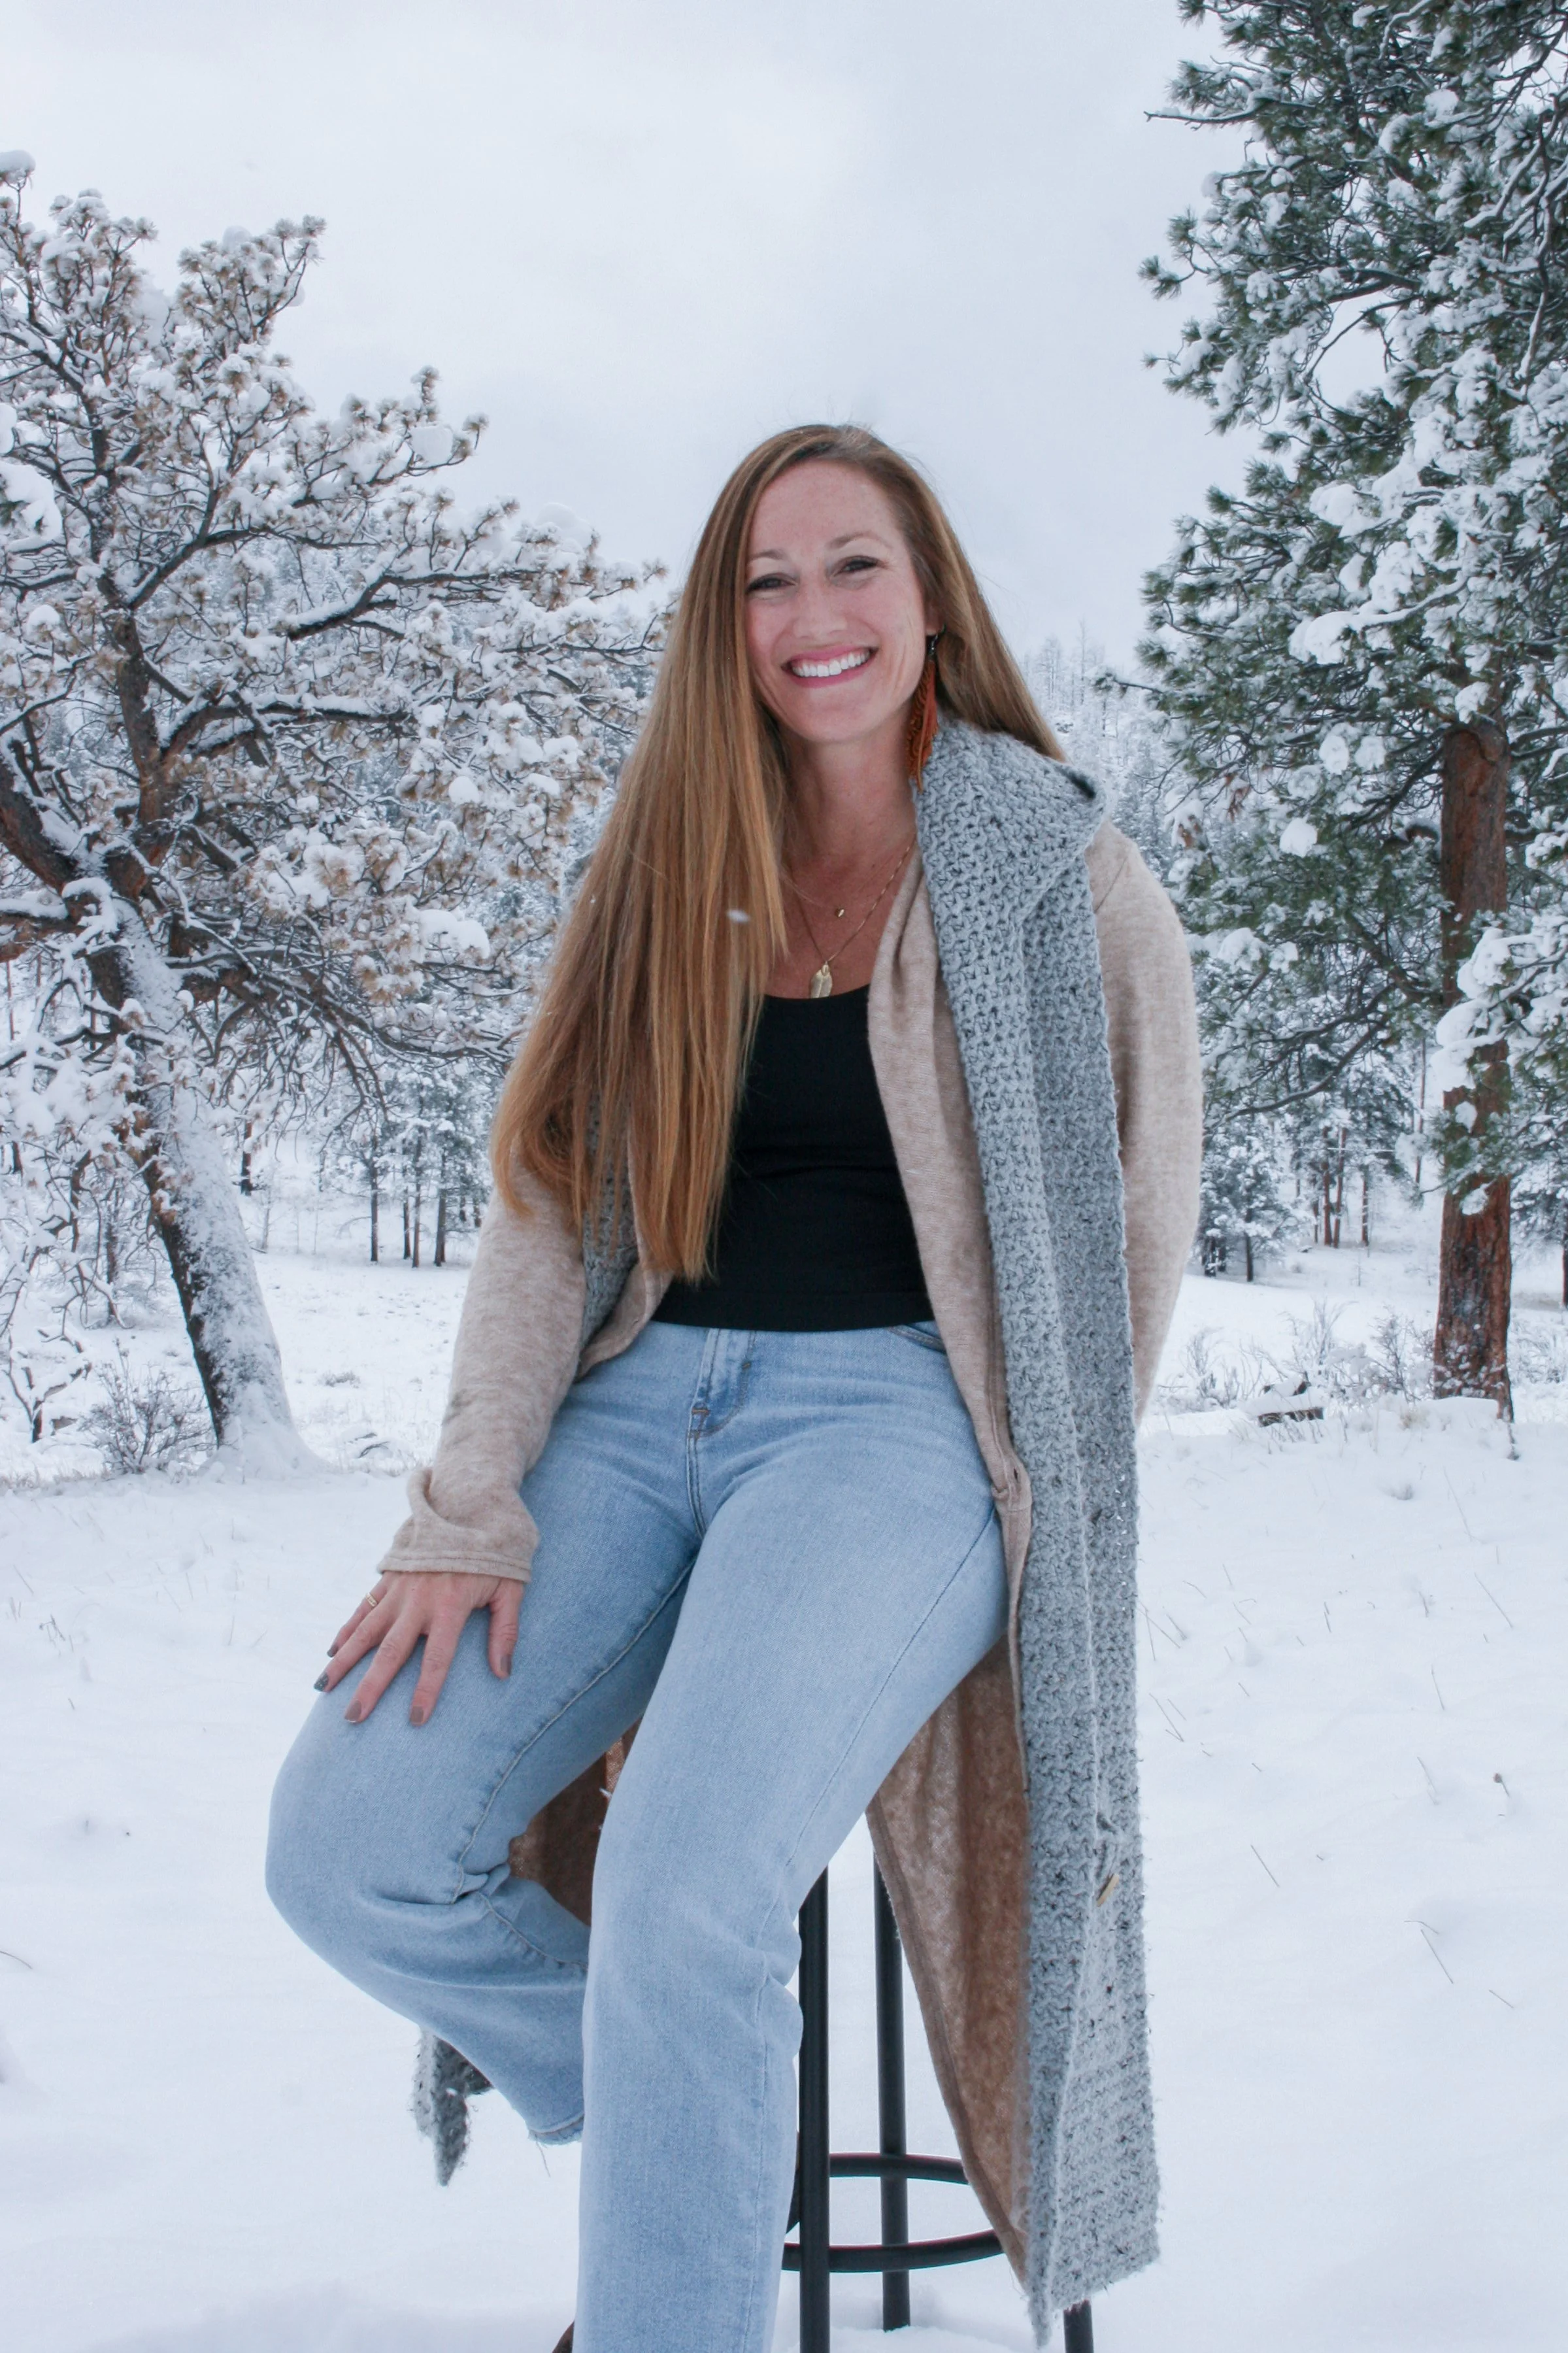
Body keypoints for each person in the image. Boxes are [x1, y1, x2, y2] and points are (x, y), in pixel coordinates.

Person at [267, 424, 1202, 2353]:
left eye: (851, 565)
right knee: (348, 1842)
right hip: (636, 1403)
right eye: (765, 581)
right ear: (726, 623)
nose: (811, 616)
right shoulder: (671, 854)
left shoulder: (1059, 875)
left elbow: (1128, 1238)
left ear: (927, 590)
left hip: (896, 1434)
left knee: (694, 1890)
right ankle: (682, 2112)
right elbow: (549, 1197)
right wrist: (473, 1498)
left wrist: (1032, 1496)